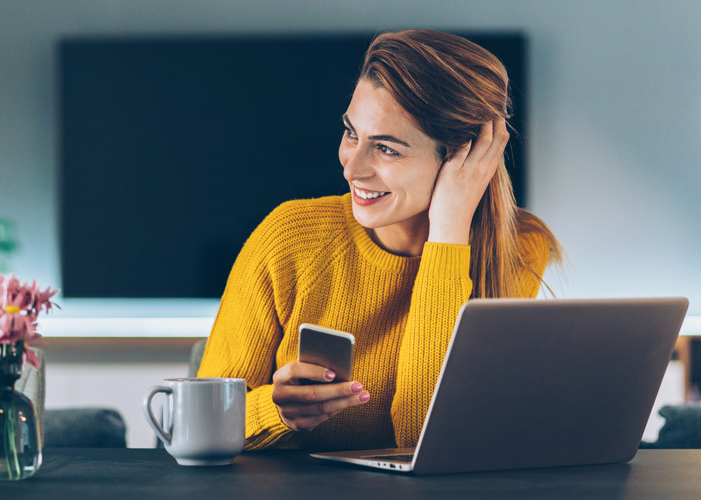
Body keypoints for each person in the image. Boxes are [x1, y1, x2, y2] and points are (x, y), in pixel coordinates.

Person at [198, 30, 562, 451]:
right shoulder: (289, 237)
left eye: (387, 149)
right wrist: (275, 410)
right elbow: (202, 425)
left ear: (464, 157)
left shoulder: (515, 248)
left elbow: (424, 441)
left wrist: (447, 235)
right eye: (352, 133)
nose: (353, 168)